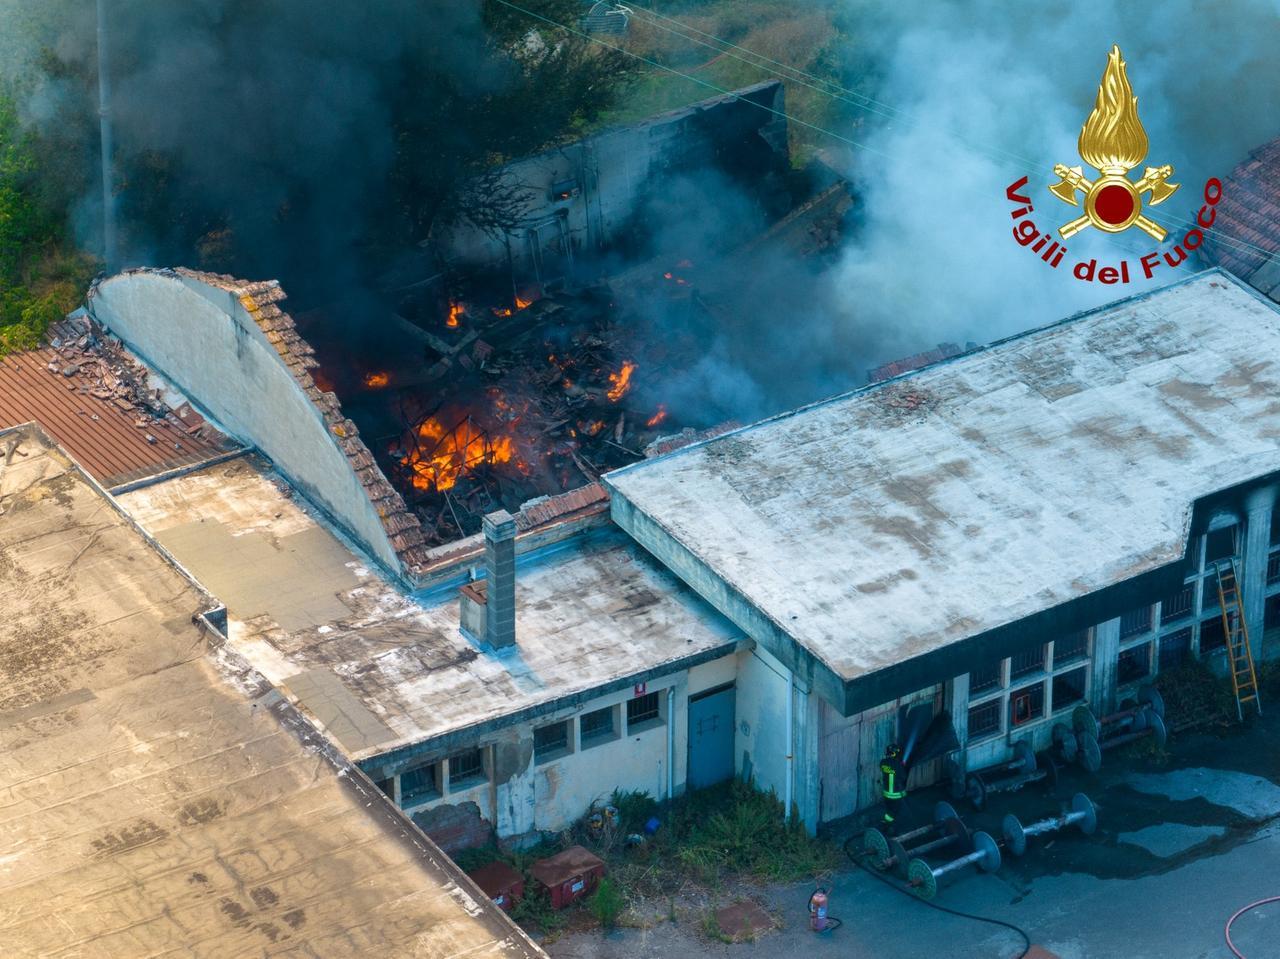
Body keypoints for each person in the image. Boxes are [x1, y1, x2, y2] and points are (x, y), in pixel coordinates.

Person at [880, 742, 907, 831]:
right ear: (895, 753)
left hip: (886, 794)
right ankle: (889, 827)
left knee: (889, 810)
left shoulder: (883, 762)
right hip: (896, 794)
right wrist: (902, 766)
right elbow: (903, 777)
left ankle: (886, 823)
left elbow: (885, 767)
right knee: (895, 812)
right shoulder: (898, 764)